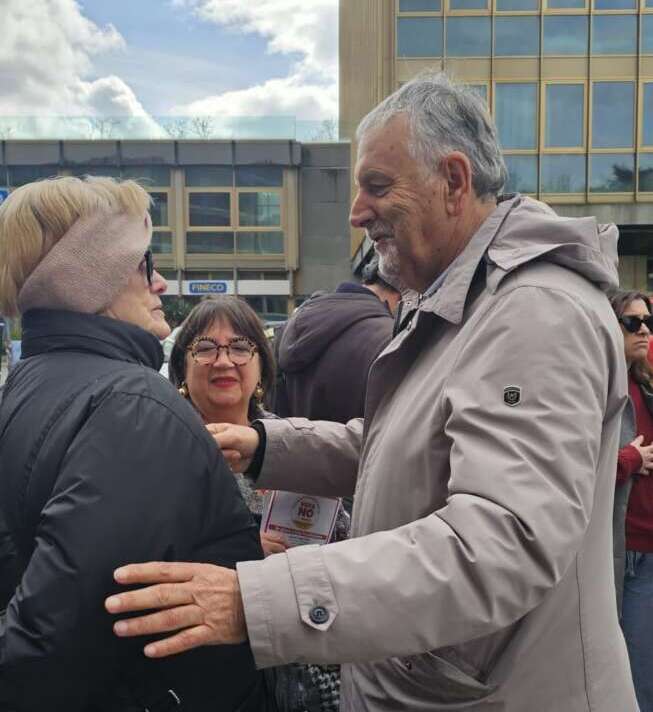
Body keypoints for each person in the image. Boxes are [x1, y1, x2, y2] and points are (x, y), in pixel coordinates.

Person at [105, 72, 637, 711]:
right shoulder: (459, 300)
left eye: (378, 186)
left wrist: (259, 600)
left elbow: (501, 542)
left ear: (454, 180)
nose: (357, 212)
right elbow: (400, 450)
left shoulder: (532, 312)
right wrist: (266, 444)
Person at [0, 176, 268, 711]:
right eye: (146, 264)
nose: (161, 282)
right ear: (91, 278)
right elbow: (58, 641)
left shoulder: (28, 382)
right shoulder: (133, 404)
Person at [167, 295, 288, 557]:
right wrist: (237, 548)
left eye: (240, 348)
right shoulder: (162, 442)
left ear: (261, 368)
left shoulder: (289, 440)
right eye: (205, 348)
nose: (223, 361)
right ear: (182, 368)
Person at [273, 255, 398, 422]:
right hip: (352, 438)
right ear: (402, 295)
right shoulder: (388, 338)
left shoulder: (292, 323)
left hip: (286, 436)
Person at [610, 289, 653, 711]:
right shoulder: (601, 388)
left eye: (647, 322)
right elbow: (572, 464)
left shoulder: (644, 383)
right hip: (617, 551)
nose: (643, 330)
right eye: (632, 322)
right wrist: (629, 459)